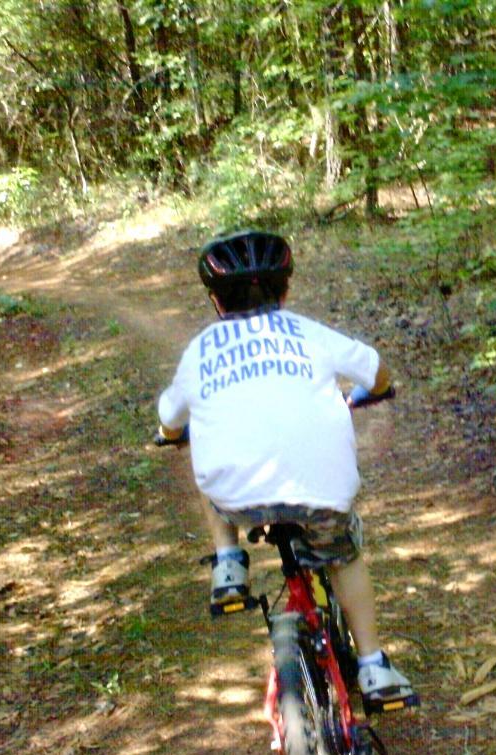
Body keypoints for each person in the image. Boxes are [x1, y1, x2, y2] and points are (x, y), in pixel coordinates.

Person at [157, 229, 415, 707]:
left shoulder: (202, 350)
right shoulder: (308, 333)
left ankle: (229, 562)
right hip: (321, 493)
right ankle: (375, 666)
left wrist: (173, 435)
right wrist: (373, 390)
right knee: (342, 556)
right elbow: (375, 370)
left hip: (237, 499)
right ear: (286, 291)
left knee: (204, 464)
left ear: (216, 301)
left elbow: (170, 419)